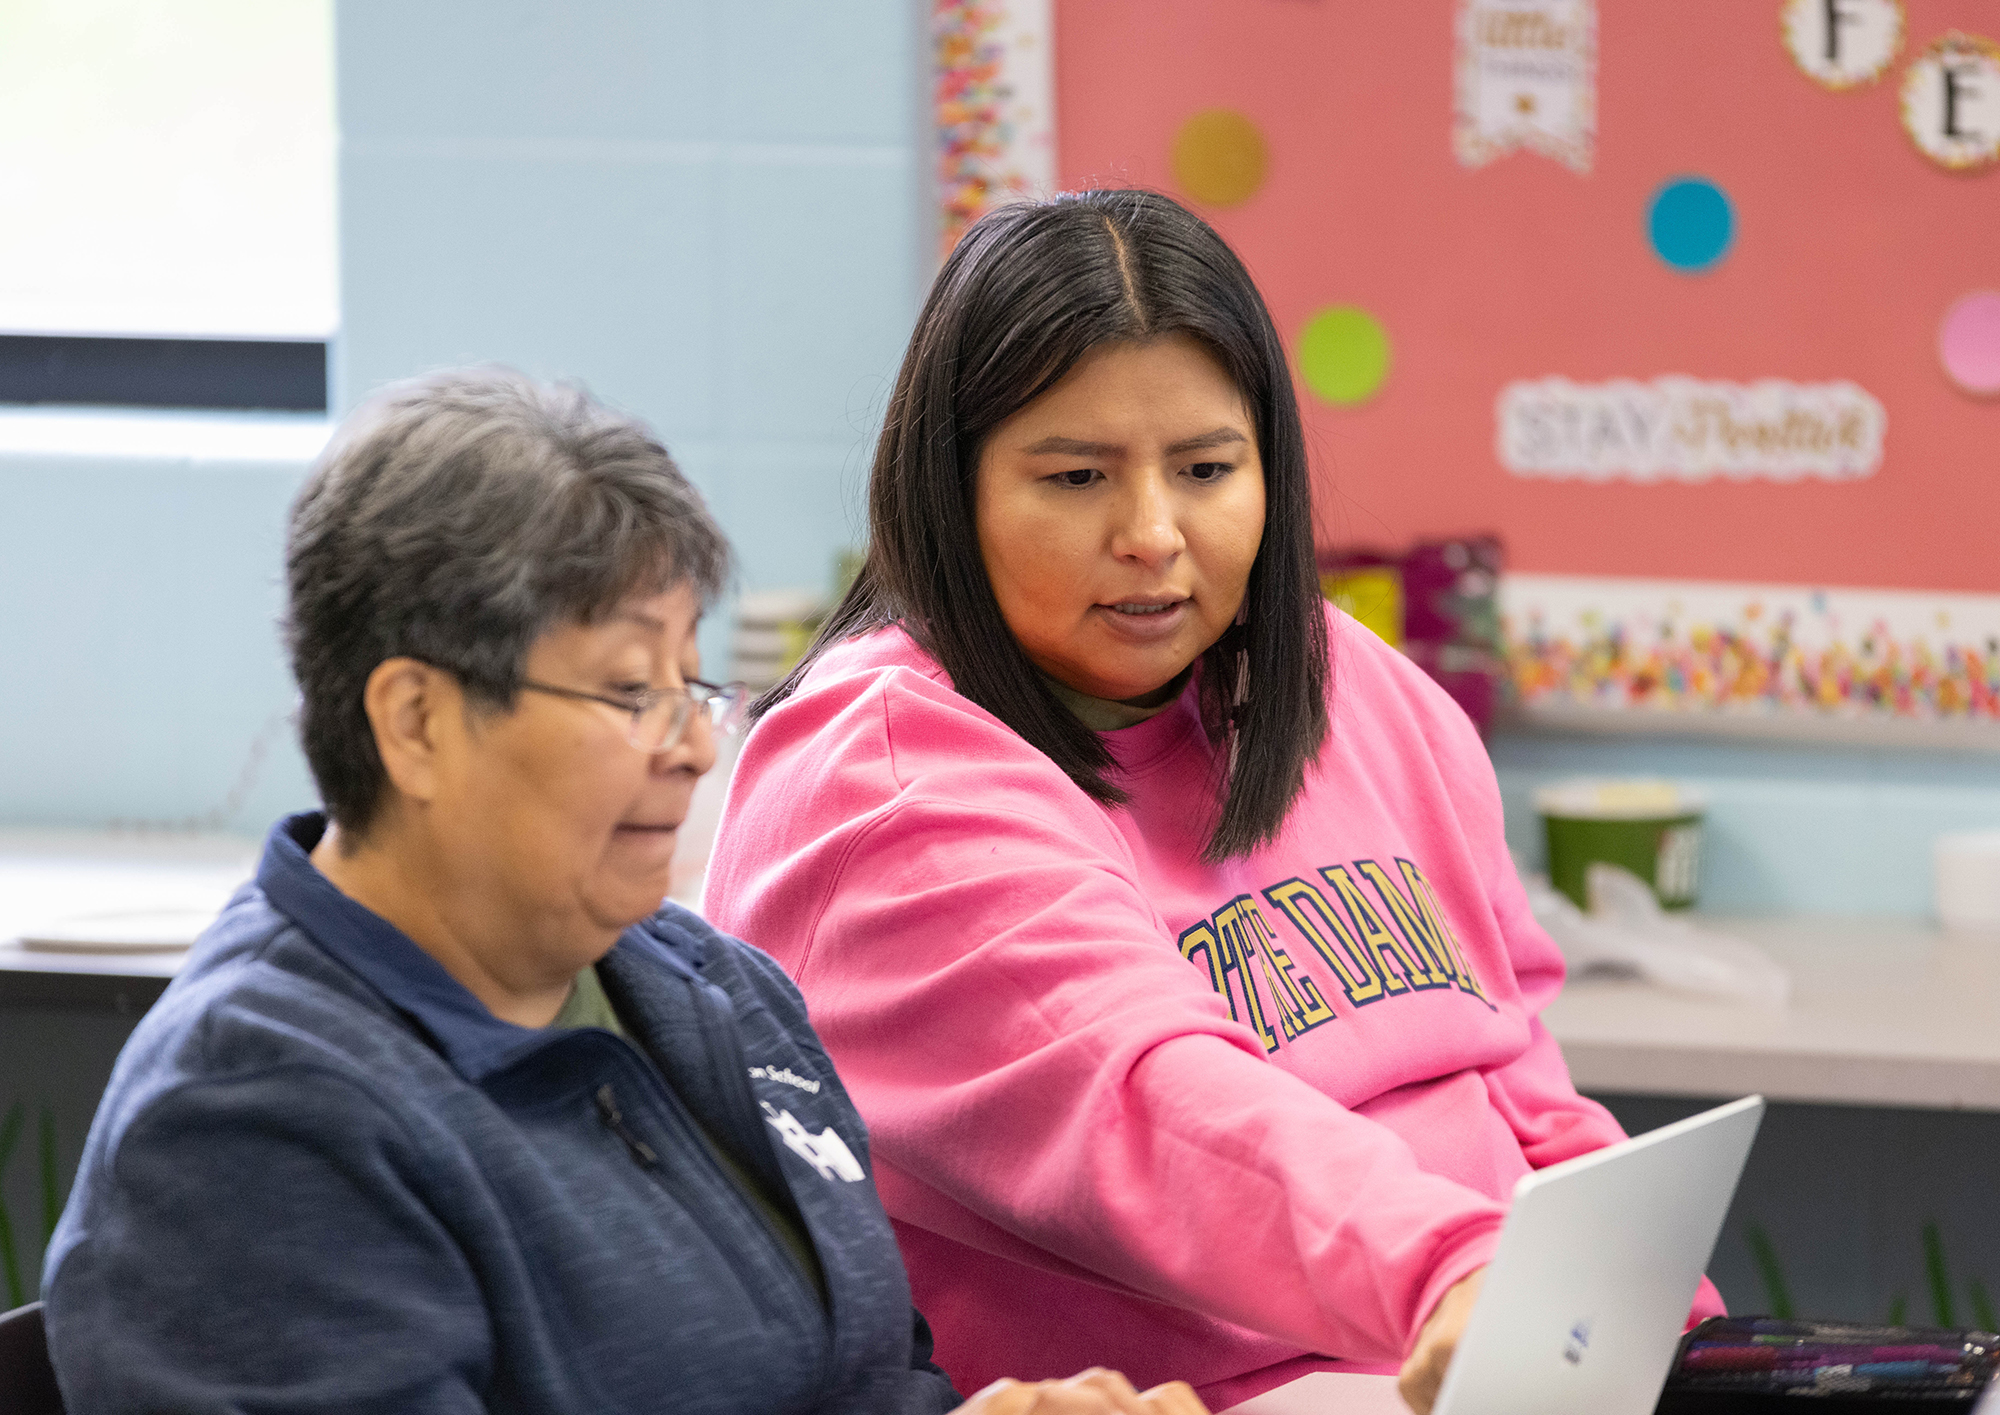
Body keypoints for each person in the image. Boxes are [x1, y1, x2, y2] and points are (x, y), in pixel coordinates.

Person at [703, 190, 1725, 1414]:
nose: (1151, 533)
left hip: (1476, 1358)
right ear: (948, 489)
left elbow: (1512, 1067)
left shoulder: (1341, 680)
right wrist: (1457, 1268)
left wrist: (1664, 1330)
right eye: (1075, 475)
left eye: (1204, 468)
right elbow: (1150, 1102)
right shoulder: (881, 778)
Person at [40, 369, 1208, 1415]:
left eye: (684, 680)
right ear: (415, 721)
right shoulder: (254, 1123)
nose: (694, 750)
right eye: (622, 690)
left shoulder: (711, 990)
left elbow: (863, 1378)